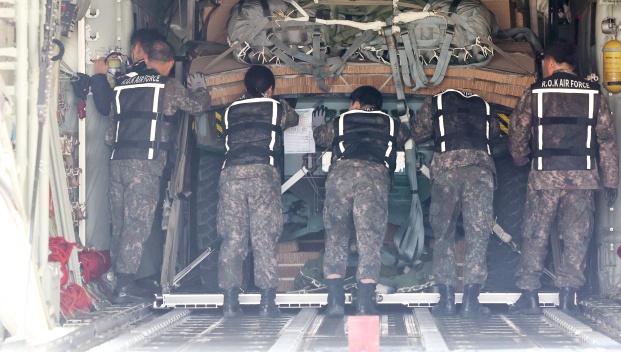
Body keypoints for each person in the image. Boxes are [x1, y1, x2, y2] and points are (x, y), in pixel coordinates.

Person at [508, 40, 619, 314]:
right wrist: (611, 180)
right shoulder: (594, 94)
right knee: (576, 236)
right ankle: (568, 297)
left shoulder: (535, 93)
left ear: (549, 63)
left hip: (545, 174)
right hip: (582, 176)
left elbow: (518, 131)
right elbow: (607, 140)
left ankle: (530, 296)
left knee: (536, 234)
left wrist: (520, 160)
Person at [106, 40, 211, 304]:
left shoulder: (122, 85)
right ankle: (125, 285)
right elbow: (197, 107)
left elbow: (110, 134)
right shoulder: (169, 86)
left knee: (119, 222)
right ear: (171, 63)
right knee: (137, 224)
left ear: (147, 58)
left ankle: (119, 280)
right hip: (145, 163)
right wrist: (202, 91)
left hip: (117, 160)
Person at [312, 86, 410, 317]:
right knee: (370, 241)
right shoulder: (391, 124)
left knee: (335, 238)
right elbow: (406, 135)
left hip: (340, 178)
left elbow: (320, 138)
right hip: (374, 179)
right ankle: (365, 304)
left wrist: (317, 124)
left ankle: (335, 302)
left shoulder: (341, 120)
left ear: (356, 103)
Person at [217, 65, 299, 318]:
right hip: (263, 174)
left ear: (244, 87)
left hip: (231, 175)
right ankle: (267, 303)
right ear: (271, 89)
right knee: (264, 238)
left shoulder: (229, 110)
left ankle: (230, 302)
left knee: (232, 239)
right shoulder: (277, 107)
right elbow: (293, 119)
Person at [410, 89, 499, 317]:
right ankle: (471, 302)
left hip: (447, 171)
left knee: (443, 235)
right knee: (478, 235)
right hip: (480, 170)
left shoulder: (435, 100)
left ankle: (447, 301)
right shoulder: (485, 104)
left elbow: (418, 133)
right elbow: (495, 134)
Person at [91, 28, 165, 116]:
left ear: (137, 48)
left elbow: (107, 107)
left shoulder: (131, 78)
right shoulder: (166, 78)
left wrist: (99, 75)